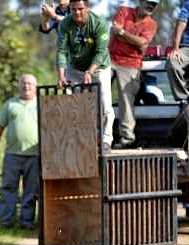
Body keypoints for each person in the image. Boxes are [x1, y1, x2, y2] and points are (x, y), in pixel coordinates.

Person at [56, 0, 114, 152]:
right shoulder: (65, 24)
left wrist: (90, 71)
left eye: (80, 9)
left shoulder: (99, 24)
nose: (77, 13)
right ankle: (76, 139)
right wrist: (61, 76)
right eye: (73, 9)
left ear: (87, 8)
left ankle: (106, 140)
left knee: (104, 104)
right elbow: (61, 51)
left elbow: (101, 52)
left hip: (98, 68)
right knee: (71, 103)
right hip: (75, 67)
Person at [0, 74, 39, 230]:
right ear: (19, 85)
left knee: (30, 191)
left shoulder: (41, 104)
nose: (26, 86)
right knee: (9, 188)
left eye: (30, 84)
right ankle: (6, 223)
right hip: (12, 155)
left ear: (35, 87)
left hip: (35, 155)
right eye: (24, 83)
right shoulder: (10, 104)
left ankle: (27, 223)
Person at [109, 0, 159, 149]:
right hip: (109, 59)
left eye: (154, 4)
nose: (151, 6)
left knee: (125, 98)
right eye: (149, 2)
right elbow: (113, 30)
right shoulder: (124, 10)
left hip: (131, 64)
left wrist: (122, 33)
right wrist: (134, 40)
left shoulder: (152, 24)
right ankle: (92, 132)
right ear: (140, 1)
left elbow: (142, 43)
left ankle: (127, 139)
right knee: (95, 90)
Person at [167, 0, 189, 102]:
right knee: (173, 62)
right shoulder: (188, 3)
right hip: (186, 48)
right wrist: (175, 48)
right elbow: (181, 23)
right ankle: (184, 101)